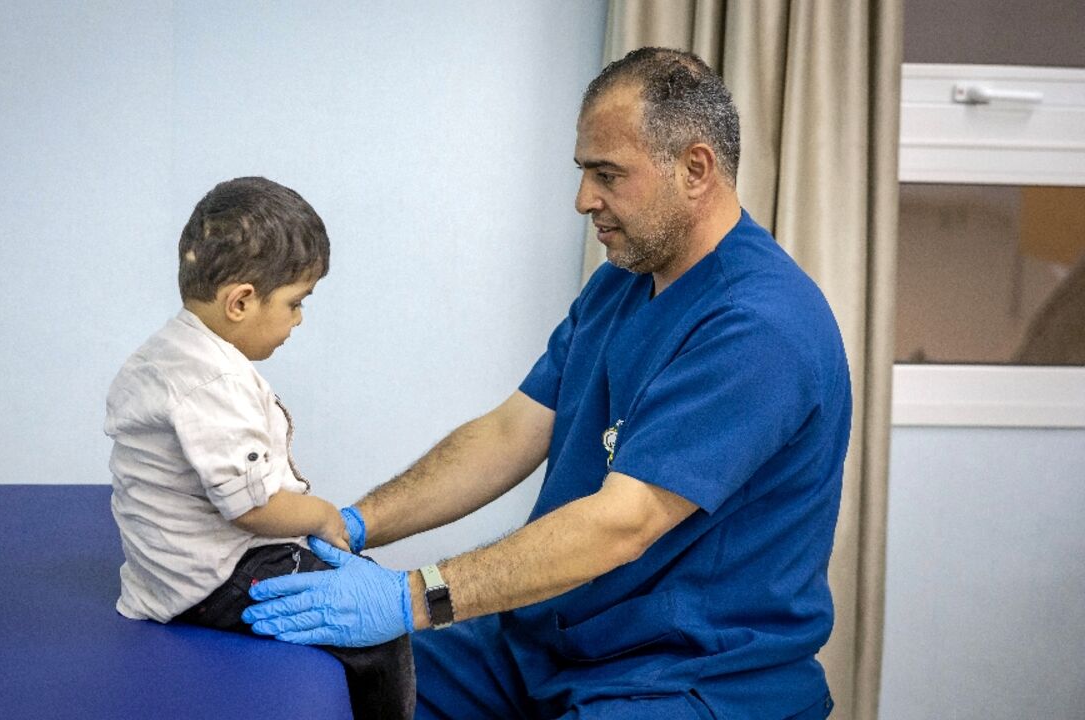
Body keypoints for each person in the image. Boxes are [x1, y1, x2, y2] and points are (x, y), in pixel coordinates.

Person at [242, 47, 851, 720]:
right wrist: (353, 525)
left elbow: (623, 522)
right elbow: (511, 431)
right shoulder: (621, 283)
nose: (584, 198)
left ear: (696, 170)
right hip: (546, 644)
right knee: (325, 677)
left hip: (686, 676)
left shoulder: (761, 326)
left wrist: (409, 599)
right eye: (584, 171)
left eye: (607, 174)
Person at [104, 177, 414, 720]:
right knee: (378, 628)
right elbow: (252, 508)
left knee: (352, 572)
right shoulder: (213, 382)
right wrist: (318, 515)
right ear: (242, 301)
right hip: (211, 579)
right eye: (295, 303)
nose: (299, 319)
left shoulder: (167, 353)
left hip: (166, 572)